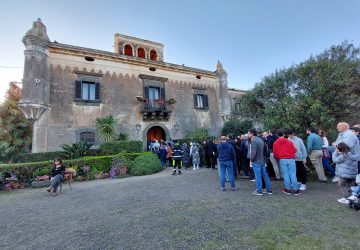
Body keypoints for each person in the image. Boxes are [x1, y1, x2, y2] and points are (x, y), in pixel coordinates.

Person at [274, 129, 300, 195]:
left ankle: (287, 189)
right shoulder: (289, 142)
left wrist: (279, 156)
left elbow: (275, 154)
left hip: (282, 159)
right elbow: (295, 150)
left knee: (286, 174)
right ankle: (296, 189)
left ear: (277, 135)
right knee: (293, 174)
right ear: (284, 134)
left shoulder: (275, 143)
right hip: (291, 159)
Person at [248, 129, 273, 196]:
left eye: (248, 133)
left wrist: (252, 160)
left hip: (256, 161)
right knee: (265, 176)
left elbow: (254, 152)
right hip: (262, 161)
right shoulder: (260, 140)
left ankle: (259, 191)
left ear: (252, 133)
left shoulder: (254, 141)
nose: (248, 135)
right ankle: (269, 190)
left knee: (258, 176)